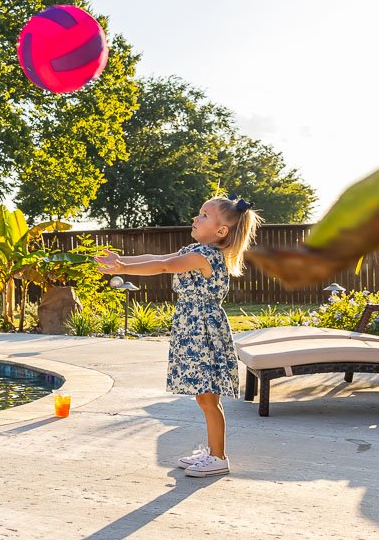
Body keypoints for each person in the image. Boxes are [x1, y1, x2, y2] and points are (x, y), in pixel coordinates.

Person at [96, 196, 259, 478]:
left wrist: (123, 269)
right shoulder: (195, 251)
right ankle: (212, 450)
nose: (195, 219)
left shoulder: (205, 256)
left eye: (204, 216)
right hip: (193, 325)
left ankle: (219, 457)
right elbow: (158, 259)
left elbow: (163, 266)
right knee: (204, 396)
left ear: (221, 231)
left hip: (203, 329)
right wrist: (122, 262)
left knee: (208, 397)